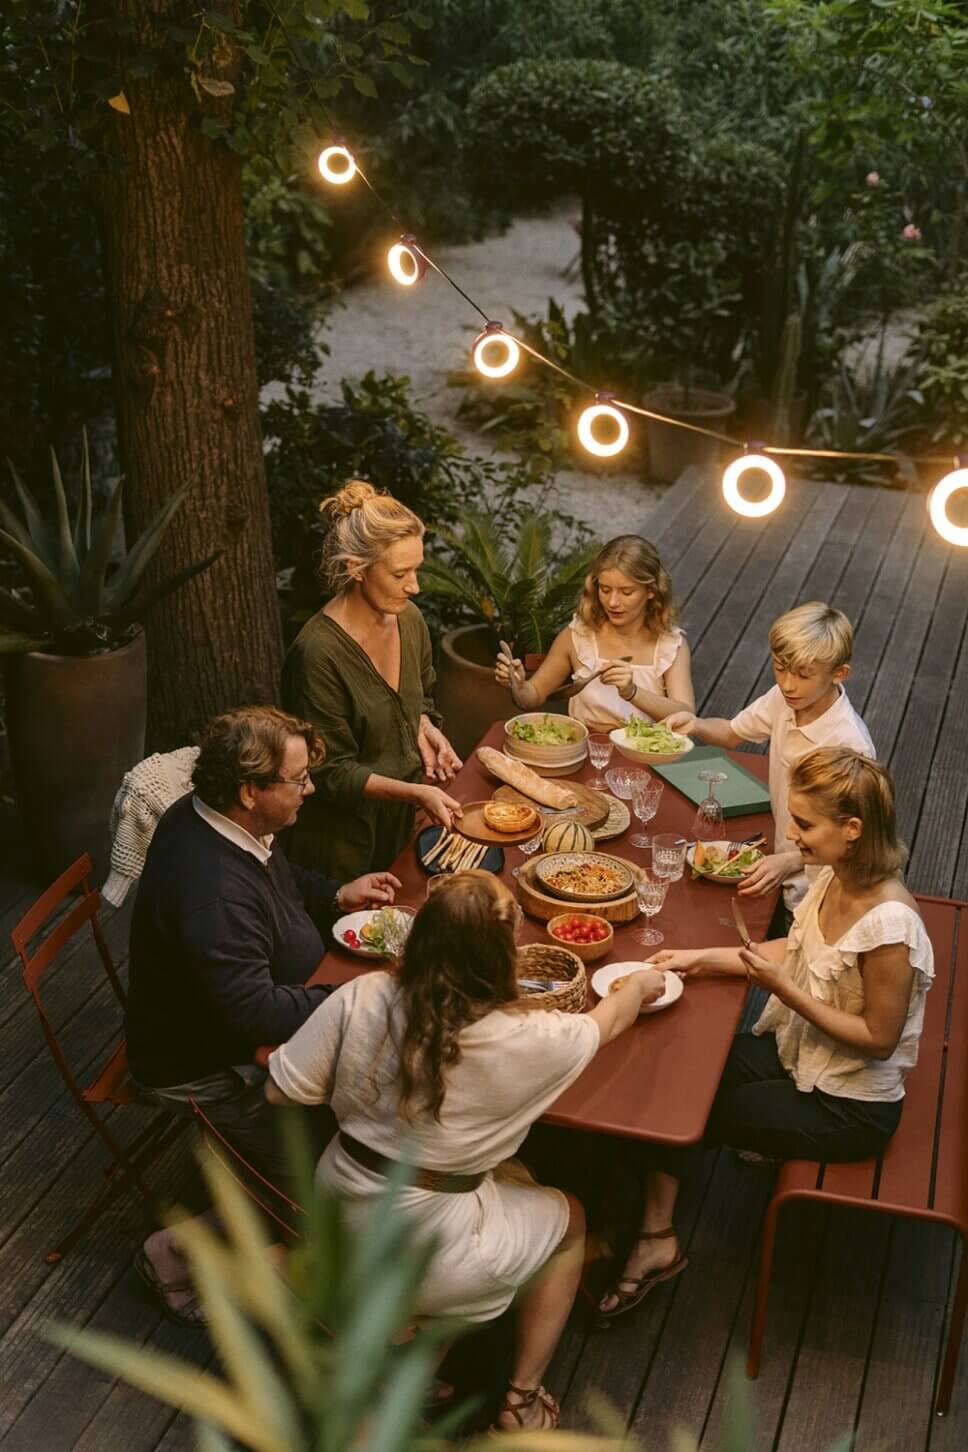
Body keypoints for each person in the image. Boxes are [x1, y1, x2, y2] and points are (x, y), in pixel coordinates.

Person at [266, 870, 665, 1429]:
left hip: (336, 1209)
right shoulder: (532, 1038)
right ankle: (520, 1400)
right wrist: (641, 985)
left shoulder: (365, 993)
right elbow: (611, 1019)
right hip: (430, 1247)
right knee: (570, 1217)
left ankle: (402, 1358)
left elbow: (279, 1090)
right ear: (502, 958)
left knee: (513, 1176)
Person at [597, 748, 933, 1324]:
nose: (790, 834)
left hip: (847, 1106)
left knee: (689, 1105)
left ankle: (653, 1238)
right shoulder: (835, 874)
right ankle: (650, 1226)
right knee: (677, 1063)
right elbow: (795, 951)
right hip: (799, 1055)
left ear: (852, 831)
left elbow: (879, 1038)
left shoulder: (890, 927)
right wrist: (699, 959)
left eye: (803, 824)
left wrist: (784, 989)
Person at [125, 705, 400, 1325]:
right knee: (352, 1152)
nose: (309, 790)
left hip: (248, 1016)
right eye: (298, 781)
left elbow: (271, 871)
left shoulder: (216, 820)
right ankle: (176, 1254)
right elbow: (252, 1011)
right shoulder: (211, 891)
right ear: (251, 791)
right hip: (207, 1065)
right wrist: (363, 995)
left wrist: (335, 893)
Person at [282, 480, 463, 882]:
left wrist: (425, 727)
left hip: (400, 830)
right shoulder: (318, 654)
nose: (414, 586)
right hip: (341, 849)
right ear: (356, 568)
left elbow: (420, 698)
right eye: (400, 573)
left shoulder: (410, 620)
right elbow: (328, 771)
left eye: (417, 569)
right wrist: (417, 792)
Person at [666, 601, 874, 913]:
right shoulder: (784, 699)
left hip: (824, 894)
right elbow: (733, 732)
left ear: (839, 674)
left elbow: (851, 839)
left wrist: (789, 860)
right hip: (781, 871)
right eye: (779, 668)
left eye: (804, 675)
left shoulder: (849, 744)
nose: (788, 684)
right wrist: (696, 724)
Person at [494, 534, 694, 733]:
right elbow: (534, 695)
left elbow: (687, 716)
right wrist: (518, 686)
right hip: (583, 753)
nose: (613, 602)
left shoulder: (670, 645)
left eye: (626, 592)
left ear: (651, 591)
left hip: (647, 756)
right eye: (605, 590)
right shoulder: (578, 636)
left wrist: (632, 692)